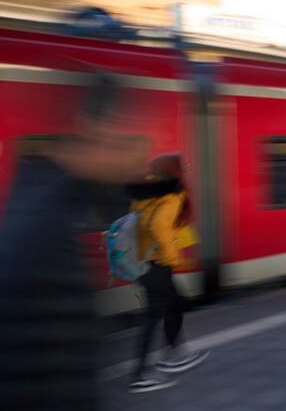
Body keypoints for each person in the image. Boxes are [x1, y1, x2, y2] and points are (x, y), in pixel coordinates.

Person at [0, 74, 147, 410]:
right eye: (129, 141)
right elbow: (50, 367)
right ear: (94, 130)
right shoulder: (42, 227)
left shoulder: (46, 201)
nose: (139, 157)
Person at [126, 153, 208, 393]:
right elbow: (159, 227)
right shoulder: (171, 193)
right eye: (183, 167)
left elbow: (138, 223)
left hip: (143, 261)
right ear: (174, 171)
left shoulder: (144, 190)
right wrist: (172, 258)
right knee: (153, 317)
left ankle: (175, 354)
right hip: (157, 262)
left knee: (173, 303)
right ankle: (138, 376)